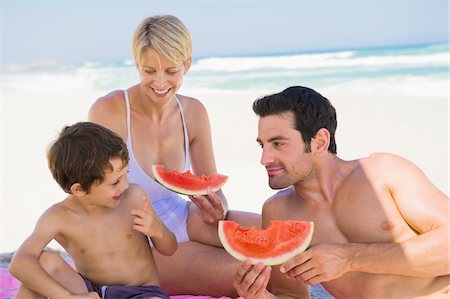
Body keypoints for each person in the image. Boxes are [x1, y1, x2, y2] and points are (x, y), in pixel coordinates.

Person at [88, 14, 259, 296]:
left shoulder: (193, 112)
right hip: (132, 237)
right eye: (148, 70)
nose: (159, 82)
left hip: (182, 215)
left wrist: (217, 207)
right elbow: (95, 197)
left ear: (186, 65)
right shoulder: (110, 111)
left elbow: (211, 185)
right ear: (137, 65)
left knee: (279, 243)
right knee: (244, 271)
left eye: (170, 70)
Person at [233, 86, 450, 298]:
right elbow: (291, 295)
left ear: (320, 142)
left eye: (278, 144)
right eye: (263, 146)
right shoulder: (278, 211)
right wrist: (262, 297)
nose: (264, 159)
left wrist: (349, 258)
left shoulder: (383, 172)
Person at [9, 122, 177, 299]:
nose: (125, 185)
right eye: (115, 182)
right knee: (44, 262)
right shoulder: (58, 218)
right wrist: (66, 296)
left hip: (142, 293)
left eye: (126, 174)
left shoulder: (134, 197)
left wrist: (158, 231)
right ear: (79, 189)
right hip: (91, 293)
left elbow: (170, 248)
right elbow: (19, 263)